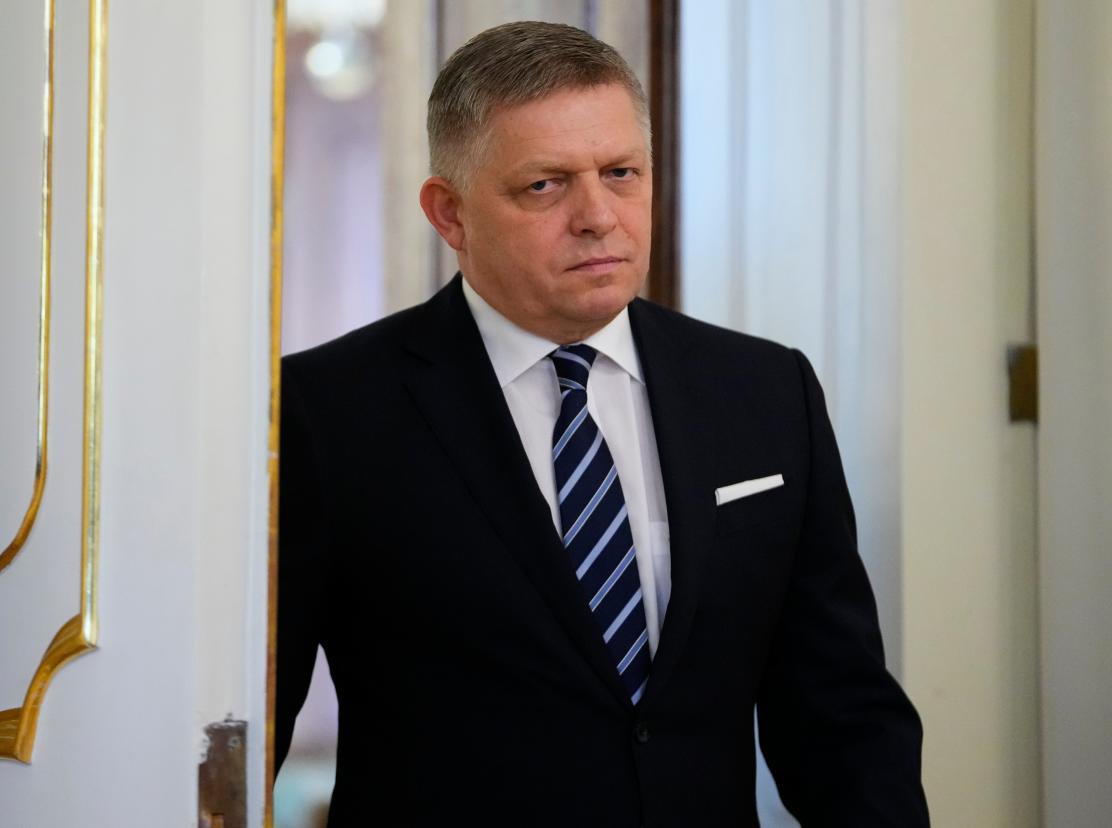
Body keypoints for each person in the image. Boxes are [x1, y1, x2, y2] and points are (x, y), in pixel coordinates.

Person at [276, 20, 928, 827]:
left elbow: (841, 709)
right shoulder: (326, 410)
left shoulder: (765, 390)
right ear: (450, 214)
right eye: (545, 185)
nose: (598, 216)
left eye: (621, 172)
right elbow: (254, 717)